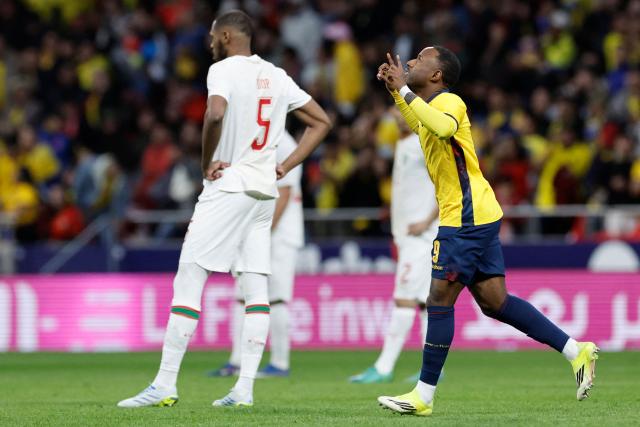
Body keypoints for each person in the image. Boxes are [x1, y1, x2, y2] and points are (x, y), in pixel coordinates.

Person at [117, 10, 331, 408]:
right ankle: (244, 388)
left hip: (229, 186)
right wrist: (286, 164)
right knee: (256, 289)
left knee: (190, 275)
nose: (210, 42)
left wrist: (204, 163)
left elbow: (214, 113)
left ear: (229, 36)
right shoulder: (277, 75)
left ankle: (164, 384)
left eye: (214, 36)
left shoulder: (223, 70)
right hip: (264, 191)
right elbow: (321, 121)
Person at [375, 47, 598, 416]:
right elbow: (420, 125)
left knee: (439, 301)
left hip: (464, 217)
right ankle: (578, 351)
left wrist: (405, 90)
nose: (410, 62)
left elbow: (442, 126)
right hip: (478, 212)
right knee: (496, 302)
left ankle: (423, 396)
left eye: (419, 59)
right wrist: (396, 92)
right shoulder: (431, 107)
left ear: (436, 76)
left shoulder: (451, 102)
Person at [349, 108, 438, 384]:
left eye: (402, 112)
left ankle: (384, 367)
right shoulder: (400, 144)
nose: (397, 118)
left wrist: (426, 220)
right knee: (424, 303)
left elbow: (446, 184)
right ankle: (434, 369)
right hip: (406, 235)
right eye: (395, 114)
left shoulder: (425, 142)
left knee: (403, 299)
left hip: (421, 235)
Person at [209, 131, 304, 378]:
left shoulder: (284, 143)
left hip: (280, 234)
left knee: (278, 297)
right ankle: (237, 361)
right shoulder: (251, 136)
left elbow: (285, 192)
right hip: (254, 230)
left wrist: (263, 230)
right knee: (242, 293)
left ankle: (280, 363)